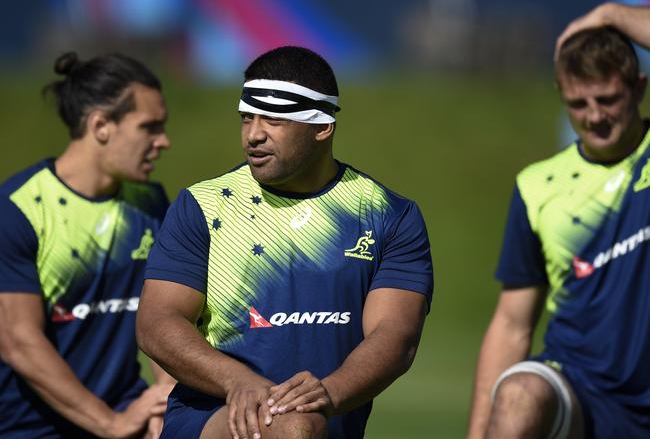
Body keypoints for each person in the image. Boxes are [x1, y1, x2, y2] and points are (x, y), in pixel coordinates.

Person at [136, 46, 434, 439]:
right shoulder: (202, 206)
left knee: (299, 424)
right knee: (293, 427)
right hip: (211, 415)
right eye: (246, 118)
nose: (253, 135)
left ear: (322, 125)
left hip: (324, 423)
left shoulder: (389, 214)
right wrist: (237, 381)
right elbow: (157, 322)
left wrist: (326, 394)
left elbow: (396, 336)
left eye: (273, 119)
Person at [467, 3, 650, 439]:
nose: (594, 116)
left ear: (639, 88)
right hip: (580, 390)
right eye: (578, 103)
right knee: (518, 394)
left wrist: (611, 15)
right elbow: (512, 322)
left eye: (607, 99)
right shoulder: (538, 186)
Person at [0, 51, 174, 438]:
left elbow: (165, 311)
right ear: (101, 126)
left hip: (128, 411)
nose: (164, 141)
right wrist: (110, 424)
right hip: (33, 428)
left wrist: (166, 393)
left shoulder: (149, 203)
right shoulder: (19, 210)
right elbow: (19, 341)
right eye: (150, 127)